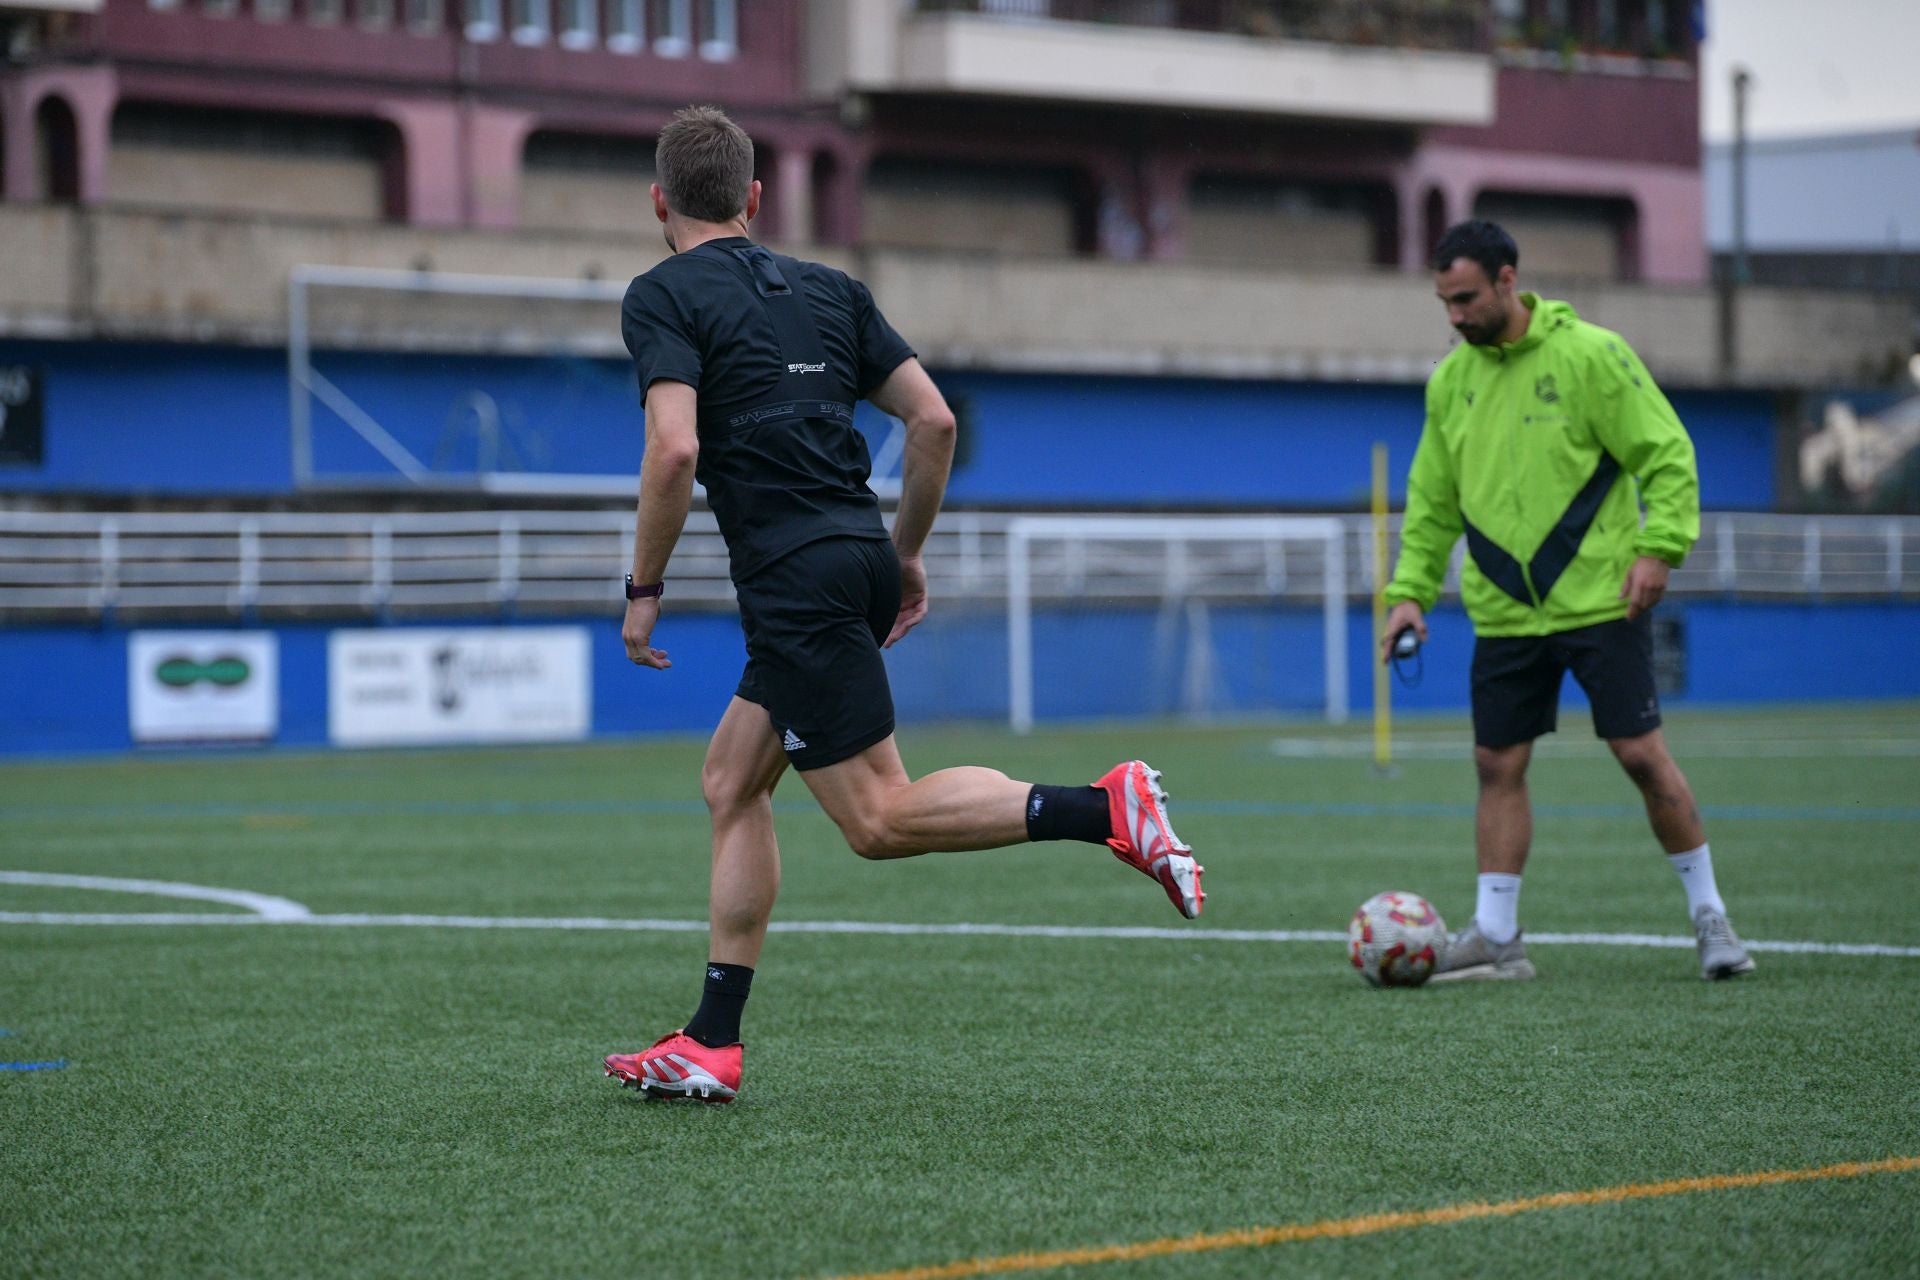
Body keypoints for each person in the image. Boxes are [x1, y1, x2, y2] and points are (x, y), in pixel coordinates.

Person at [601, 106, 1204, 1102]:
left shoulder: (660, 293)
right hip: (855, 551)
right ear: (756, 199)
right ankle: (710, 1039)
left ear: (659, 202)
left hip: (793, 580)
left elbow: (673, 448)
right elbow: (932, 419)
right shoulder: (832, 288)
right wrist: (906, 552)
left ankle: (1107, 808)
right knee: (730, 782)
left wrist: (644, 589)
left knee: (877, 817)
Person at [1382, 219, 1754, 984]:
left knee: (1641, 755)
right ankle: (1495, 935)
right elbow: (1431, 502)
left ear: (1509, 279)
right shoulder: (1451, 381)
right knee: (1495, 763)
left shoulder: (1592, 355)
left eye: (1466, 298)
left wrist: (1661, 548)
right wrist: (1410, 594)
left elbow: (1665, 452)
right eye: (1444, 302)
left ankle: (1711, 917)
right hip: (1505, 612)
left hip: (1599, 602)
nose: (1454, 316)